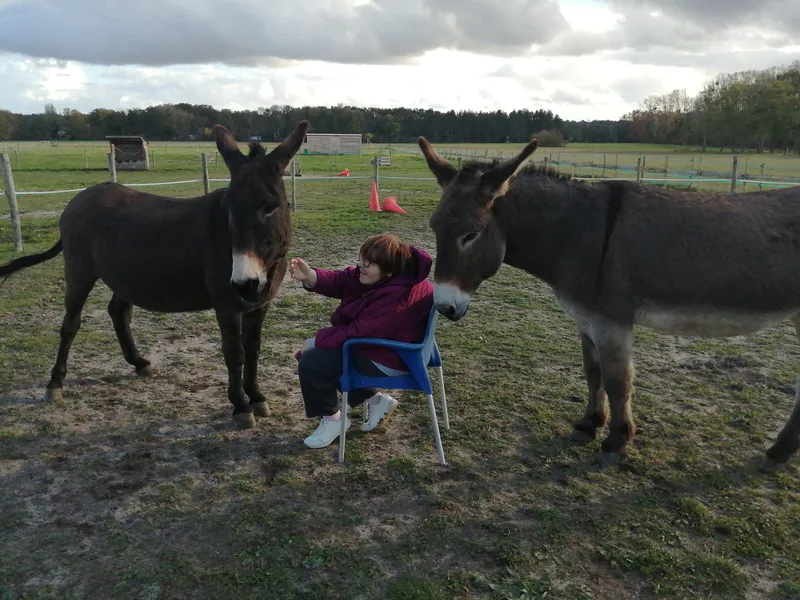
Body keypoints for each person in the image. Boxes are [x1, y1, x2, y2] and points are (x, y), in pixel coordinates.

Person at [289, 233, 434, 449]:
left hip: (392, 357)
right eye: (363, 258)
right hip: (387, 348)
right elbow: (344, 280)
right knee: (324, 358)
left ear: (389, 267)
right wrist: (311, 276)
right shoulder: (393, 277)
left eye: (372, 263)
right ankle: (377, 402)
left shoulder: (396, 295)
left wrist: (317, 342)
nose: (363, 266)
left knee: (314, 362)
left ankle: (333, 421)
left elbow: (358, 332)